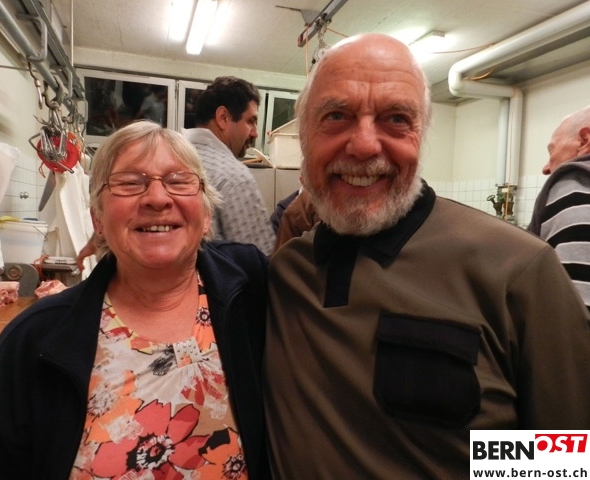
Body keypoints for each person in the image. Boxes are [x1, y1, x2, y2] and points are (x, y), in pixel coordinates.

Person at [263, 33, 590, 479]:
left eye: (396, 119)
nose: (364, 145)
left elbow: (568, 457)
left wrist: (466, 461)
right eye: (336, 116)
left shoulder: (517, 270)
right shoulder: (287, 272)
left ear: (422, 136)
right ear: (304, 138)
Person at [0, 121, 270, 480]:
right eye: (129, 183)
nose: (157, 198)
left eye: (179, 181)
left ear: (207, 214)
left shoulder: (252, 290)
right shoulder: (33, 342)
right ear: (97, 219)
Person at [184, 76, 276, 255]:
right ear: (223, 117)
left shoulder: (170, 157)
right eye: (250, 121)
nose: (255, 133)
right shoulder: (233, 176)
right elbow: (258, 258)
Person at [527, 105, 590, 310]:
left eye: (551, 150)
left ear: (585, 140)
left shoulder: (576, 181)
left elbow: (578, 306)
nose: (546, 168)